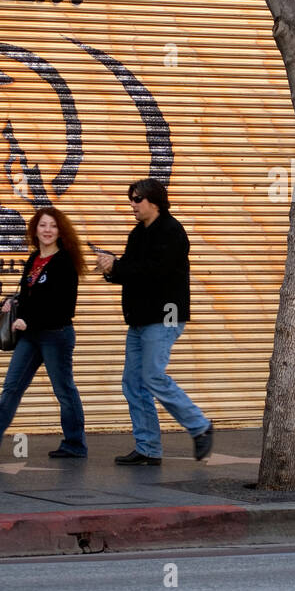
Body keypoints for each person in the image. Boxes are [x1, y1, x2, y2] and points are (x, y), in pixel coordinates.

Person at [98, 178, 213, 465]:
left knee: (151, 376)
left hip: (164, 316)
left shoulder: (172, 232)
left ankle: (200, 426)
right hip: (139, 319)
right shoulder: (138, 234)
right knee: (133, 384)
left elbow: (156, 272)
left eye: (137, 199)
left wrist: (119, 266)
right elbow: (129, 271)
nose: (132, 205)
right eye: (131, 200)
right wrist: (111, 268)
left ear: (154, 201)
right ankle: (148, 448)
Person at [0, 206, 90, 458]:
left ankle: (75, 444)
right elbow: (33, 295)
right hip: (32, 336)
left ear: (61, 231)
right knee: (12, 386)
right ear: (35, 229)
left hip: (56, 334)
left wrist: (28, 321)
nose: (47, 230)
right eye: (43, 225)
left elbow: (63, 307)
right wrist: (14, 301)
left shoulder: (64, 262)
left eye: (53, 226)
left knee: (64, 390)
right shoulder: (34, 259)